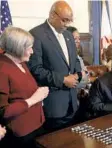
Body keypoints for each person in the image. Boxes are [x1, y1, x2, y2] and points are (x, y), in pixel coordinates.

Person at [27, 1, 82, 132]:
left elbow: (75, 61)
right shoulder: (36, 35)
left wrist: (78, 75)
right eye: (64, 20)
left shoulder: (68, 35)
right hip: (53, 104)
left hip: (72, 102)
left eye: (70, 21)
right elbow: (35, 69)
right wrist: (63, 79)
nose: (67, 24)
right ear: (52, 15)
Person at [0, 27, 49, 147]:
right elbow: (4, 111)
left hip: (36, 125)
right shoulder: (2, 69)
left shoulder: (20, 62)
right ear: (17, 48)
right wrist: (34, 99)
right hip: (21, 135)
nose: (32, 51)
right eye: (29, 48)